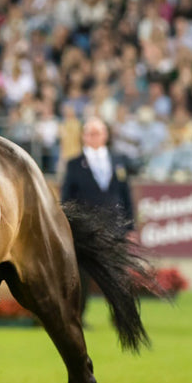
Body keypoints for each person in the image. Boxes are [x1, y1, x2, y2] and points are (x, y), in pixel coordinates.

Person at [60, 116, 135, 317]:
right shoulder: (75, 164)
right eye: (90, 133)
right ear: (84, 136)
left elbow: (126, 195)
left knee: (117, 273)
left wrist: (130, 228)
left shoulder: (118, 161)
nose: (94, 137)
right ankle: (79, 316)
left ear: (106, 135)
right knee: (82, 275)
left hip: (114, 228)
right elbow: (67, 198)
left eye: (98, 133)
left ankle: (121, 316)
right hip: (86, 230)